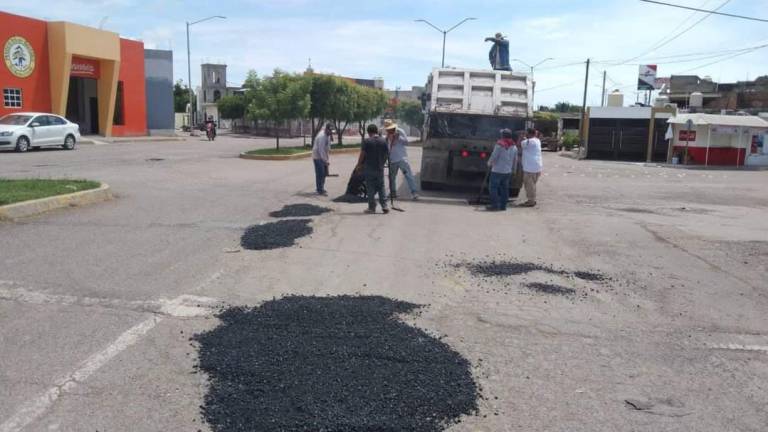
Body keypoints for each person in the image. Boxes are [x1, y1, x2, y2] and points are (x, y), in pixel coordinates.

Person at [384, 119, 419, 200]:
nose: (388, 130)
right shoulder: (387, 135)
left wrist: (398, 137)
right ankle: (393, 193)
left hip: (402, 159)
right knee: (391, 177)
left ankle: (414, 192)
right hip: (392, 160)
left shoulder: (400, 131)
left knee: (408, 176)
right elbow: (387, 147)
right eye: (387, 129)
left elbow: (406, 142)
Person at [358, 124, 389, 214]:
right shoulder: (383, 141)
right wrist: (382, 163)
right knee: (381, 186)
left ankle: (372, 207)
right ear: (376, 131)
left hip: (369, 168)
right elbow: (386, 155)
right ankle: (384, 206)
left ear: (368, 132)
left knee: (370, 187)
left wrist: (359, 165)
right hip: (379, 168)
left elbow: (362, 154)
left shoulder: (367, 141)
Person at [486, 129, 518, 211]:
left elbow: (494, 156)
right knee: (504, 189)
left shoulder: (499, 145)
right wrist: (514, 170)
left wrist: (489, 163)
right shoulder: (514, 146)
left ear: (502, 136)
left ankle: (495, 205)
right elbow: (515, 160)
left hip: (497, 170)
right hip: (507, 171)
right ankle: (503, 206)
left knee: (493, 188)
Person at [520, 128, 543, 207]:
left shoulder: (527, 142)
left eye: (526, 133)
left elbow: (518, 144)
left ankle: (531, 201)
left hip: (530, 168)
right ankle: (532, 199)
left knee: (529, 185)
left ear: (529, 134)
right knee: (532, 185)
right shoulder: (537, 141)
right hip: (537, 166)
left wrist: (521, 137)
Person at [312, 123, 333, 195]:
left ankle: (321, 188)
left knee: (324, 174)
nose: (330, 132)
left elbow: (327, 148)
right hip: (317, 157)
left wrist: (327, 159)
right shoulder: (321, 137)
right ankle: (319, 189)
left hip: (323, 156)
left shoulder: (328, 135)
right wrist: (325, 160)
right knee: (320, 173)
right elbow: (321, 150)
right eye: (329, 131)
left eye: (331, 131)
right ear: (326, 129)